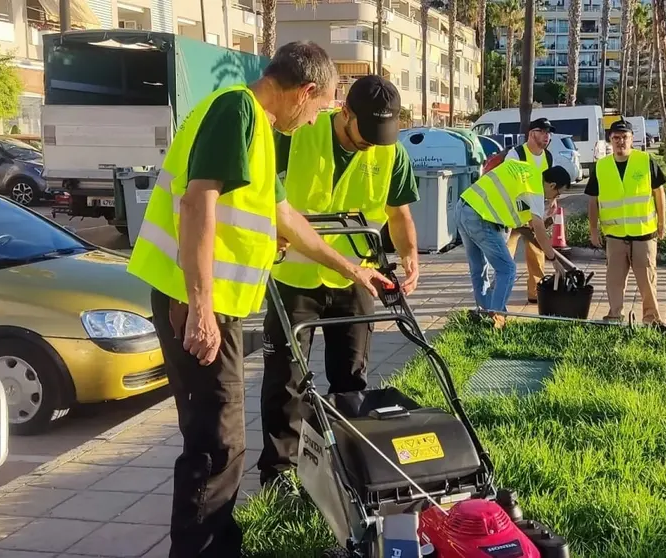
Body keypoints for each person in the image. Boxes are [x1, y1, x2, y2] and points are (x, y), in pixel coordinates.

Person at [126, 42, 391, 558]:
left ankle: (220, 544)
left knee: (219, 439)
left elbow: (282, 216)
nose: (316, 116)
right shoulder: (237, 108)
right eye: (318, 106)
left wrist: (350, 267)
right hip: (194, 305)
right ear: (305, 92)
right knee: (217, 443)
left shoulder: (258, 131)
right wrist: (201, 308)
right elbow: (197, 200)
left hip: (208, 304)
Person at [257, 75, 421, 486]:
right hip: (294, 279)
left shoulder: (391, 153)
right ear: (344, 112)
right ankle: (280, 472)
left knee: (351, 377)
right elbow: (256, 194)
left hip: (355, 280)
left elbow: (398, 212)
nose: (370, 144)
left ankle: (348, 465)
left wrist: (410, 256)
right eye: (364, 134)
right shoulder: (296, 135)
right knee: (286, 381)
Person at [456, 160, 572, 328]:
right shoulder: (536, 189)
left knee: (478, 269)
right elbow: (538, 230)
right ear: (552, 185)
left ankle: (484, 313)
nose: (554, 198)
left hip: (463, 208)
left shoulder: (528, 172)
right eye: (557, 194)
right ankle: (497, 319)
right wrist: (553, 259)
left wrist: (539, 221)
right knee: (507, 269)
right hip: (480, 218)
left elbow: (529, 223)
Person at [585, 119, 666, 323]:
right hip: (615, 235)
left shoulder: (645, 160)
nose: (620, 141)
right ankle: (615, 315)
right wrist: (593, 230)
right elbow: (593, 200)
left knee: (647, 280)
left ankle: (651, 318)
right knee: (614, 280)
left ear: (632, 140)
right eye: (616, 138)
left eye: (625, 137)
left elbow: (659, 193)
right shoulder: (601, 166)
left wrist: (662, 222)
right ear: (610, 141)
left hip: (644, 233)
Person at [504, 118, 560, 303]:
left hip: (536, 213)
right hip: (513, 214)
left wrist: (553, 199)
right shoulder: (516, 154)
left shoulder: (548, 157)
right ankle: (499, 293)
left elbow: (550, 182)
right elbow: (507, 184)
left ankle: (535, 293)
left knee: (537, 252)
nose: (547, 135)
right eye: (542, 131)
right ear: (531, 133)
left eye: (548, 132)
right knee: (506, 254)